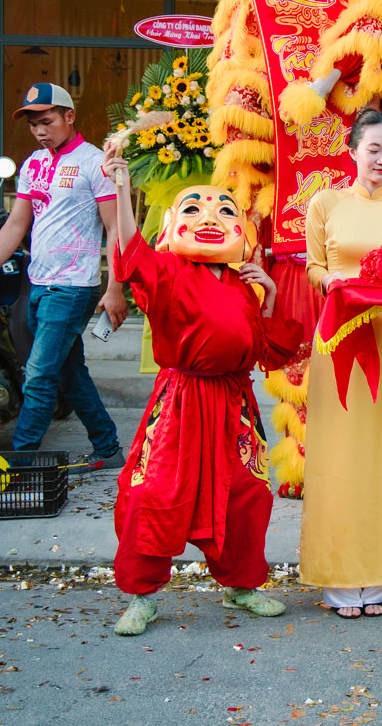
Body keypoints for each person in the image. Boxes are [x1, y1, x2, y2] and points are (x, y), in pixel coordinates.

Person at [101, 143, 300, 636]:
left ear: (243, 231)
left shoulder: (244, 284)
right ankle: (142, 595)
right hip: (181, 404)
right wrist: (123, 188)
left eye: (224, 210)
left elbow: (271, 352)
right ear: (171, 227)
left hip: (234, 405)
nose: (209, 217)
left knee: (247, 494)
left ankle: (241, 586)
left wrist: (271, 294)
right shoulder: (168, 272)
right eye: (193, 209)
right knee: (153, 494)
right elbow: (131, 251)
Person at [299, 109, 382, 618]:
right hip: (338, 338)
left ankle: (381, 579)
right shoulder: (325, 202)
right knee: (339, 458)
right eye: (373, 149)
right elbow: (314, 266)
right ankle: (338, 580)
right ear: (352, 150)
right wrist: (332, 281)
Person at [0, 83, 128, 470]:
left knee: (38, 375)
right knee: (70, 372)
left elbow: (115, 229)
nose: (40, 130)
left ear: (69, 117)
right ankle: (108, 449)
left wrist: (115, 287)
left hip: (73, 288)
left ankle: (19, 463)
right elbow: (16, 223)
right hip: (37, 283)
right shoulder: (33, 164)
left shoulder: (96, 162)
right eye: (34, 124)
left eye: (47, 121)